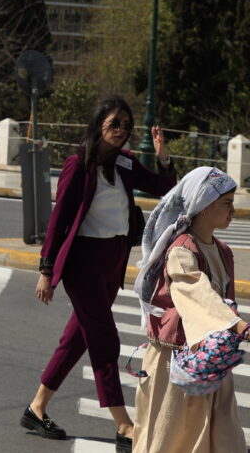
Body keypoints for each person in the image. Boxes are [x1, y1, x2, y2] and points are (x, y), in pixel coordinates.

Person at [24, 97, 176, 451]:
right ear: (98, 125)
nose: (121, 130)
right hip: (84, 263)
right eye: (114, 124)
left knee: (78, 338)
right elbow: (59, 219)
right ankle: (123, 424)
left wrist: (163, 155)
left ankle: (37, 407)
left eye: (126, 125)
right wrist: (46, 269)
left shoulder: (124, 162)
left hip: (113, 260)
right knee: (105, 340)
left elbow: (162, 187)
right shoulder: (79, 165)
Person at [131, 167, 247, 453]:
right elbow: (194, 291)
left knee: (224, 435)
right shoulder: (181, 250)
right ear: (205, 205)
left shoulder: (223, 251)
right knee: (171, 437)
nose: (233, 209)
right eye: (227, 203)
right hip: (177, 361)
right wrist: (235, 324)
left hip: (211, 359)